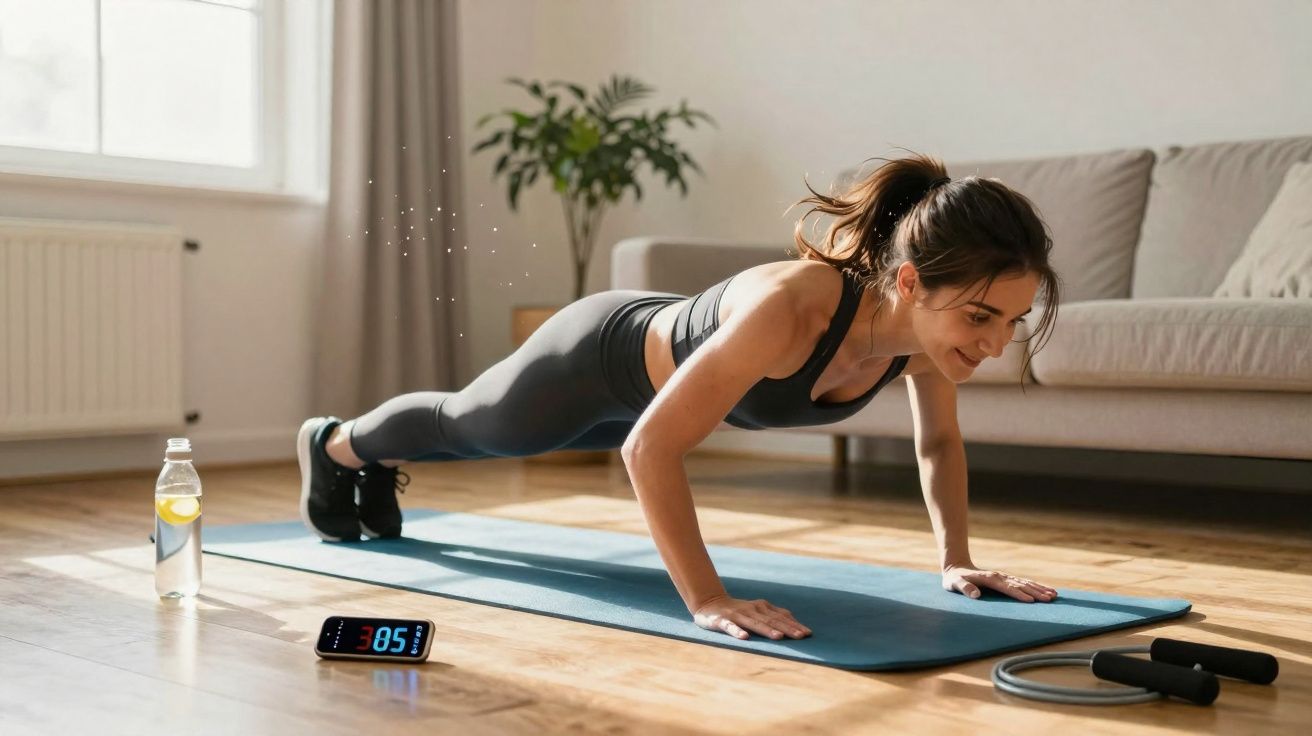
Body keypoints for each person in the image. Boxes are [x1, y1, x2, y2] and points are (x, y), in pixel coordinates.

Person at [297, 151, 1063, 642]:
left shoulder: (922, 342)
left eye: (1012, 321)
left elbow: (937, 445)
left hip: (658, 396)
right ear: (908, 282)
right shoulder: (794, 309)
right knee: (473, 428)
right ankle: (334, 444)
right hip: (595, 360)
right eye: (980, 316)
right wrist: (706, 599)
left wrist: (955, 560)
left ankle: (364, 461)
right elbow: (650, 447)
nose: (995, 343)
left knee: (488, 438)